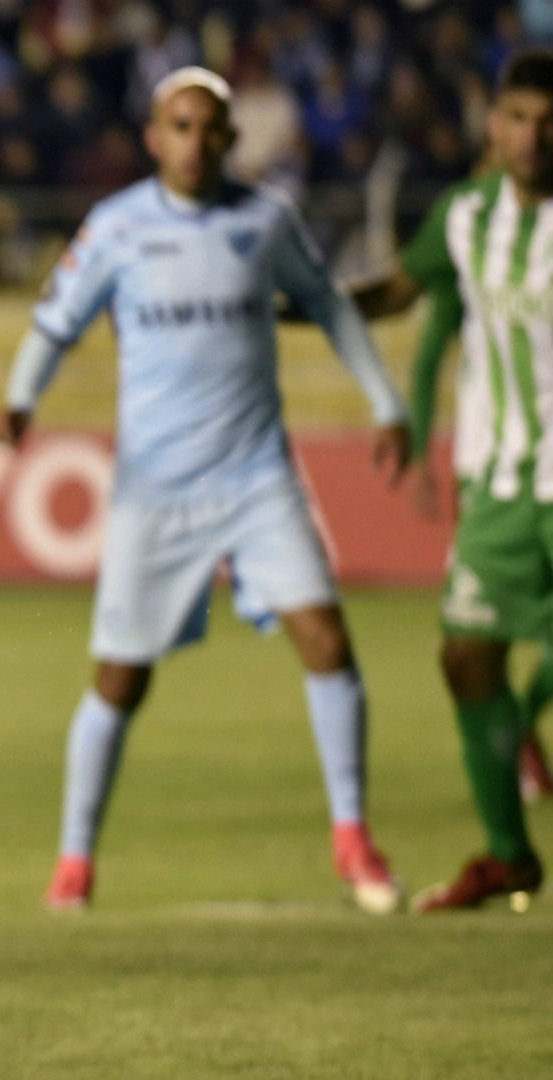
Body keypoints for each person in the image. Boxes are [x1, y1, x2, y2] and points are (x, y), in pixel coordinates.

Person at [0, 67, 410, 913]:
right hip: (156, 494)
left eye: (207, 127)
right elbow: (55, 320)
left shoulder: (265, 221)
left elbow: (330, 306)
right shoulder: (116, 228)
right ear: (155, 138)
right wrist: (19, 399)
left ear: (228, 138)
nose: (193, 141)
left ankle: (354, 840)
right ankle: (74, 861)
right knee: (120, 679)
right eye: (177, 126)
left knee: (327, 640)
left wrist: (387, 401)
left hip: (258, 477)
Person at [344, 49, 553, 911]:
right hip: (504, 488)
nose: (532, 138)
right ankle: (508, 853)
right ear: (491, 125)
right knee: (467, 657)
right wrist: (293, 298)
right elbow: (400, 291)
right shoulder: (465, 216)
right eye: (517, 119)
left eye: (548, 123)